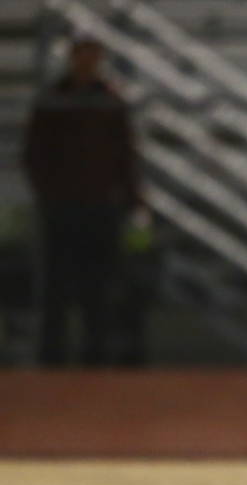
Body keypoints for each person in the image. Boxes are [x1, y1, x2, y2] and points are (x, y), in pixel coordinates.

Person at [21, 33, 144, 366]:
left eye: (94, 57)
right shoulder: (51, 100)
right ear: (72, 58)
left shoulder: (110, 100)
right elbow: (34, 153)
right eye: (82, 56)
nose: (88, 63)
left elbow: (125, 154)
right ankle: (51, 359)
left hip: (101, 204)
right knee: (54, 287)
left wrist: (133, 199)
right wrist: (48, 191)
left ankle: (96, 359)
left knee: (99, 286)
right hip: (60, 205)